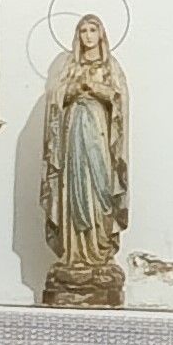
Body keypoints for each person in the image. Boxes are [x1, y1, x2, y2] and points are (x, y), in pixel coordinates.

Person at [39, 15, 130, 306]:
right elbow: (56, 97)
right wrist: (72, 91)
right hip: (73, 136)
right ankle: (73, 254)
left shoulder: (110, 66)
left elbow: (120, 99)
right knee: (73, 188)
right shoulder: (70, 67)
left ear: (102, 34)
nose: (88, 36)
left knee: (99, 190)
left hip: (100, 137)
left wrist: (97, 90)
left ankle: (99, 250)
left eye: (93, 30)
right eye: (83, 31)